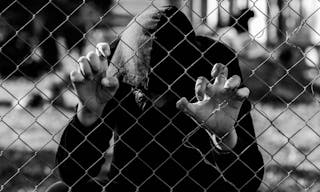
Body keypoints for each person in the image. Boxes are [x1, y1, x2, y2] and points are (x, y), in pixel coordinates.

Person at [47, 6, 264, 192]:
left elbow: (248, 181)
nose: (159, 102)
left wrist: (225, 137)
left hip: (200, 184)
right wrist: (88, 115)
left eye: (169, 92)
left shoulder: (217, 70)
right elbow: (72, 175)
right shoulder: (113, 69)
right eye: (147, 94)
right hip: (130, 183)